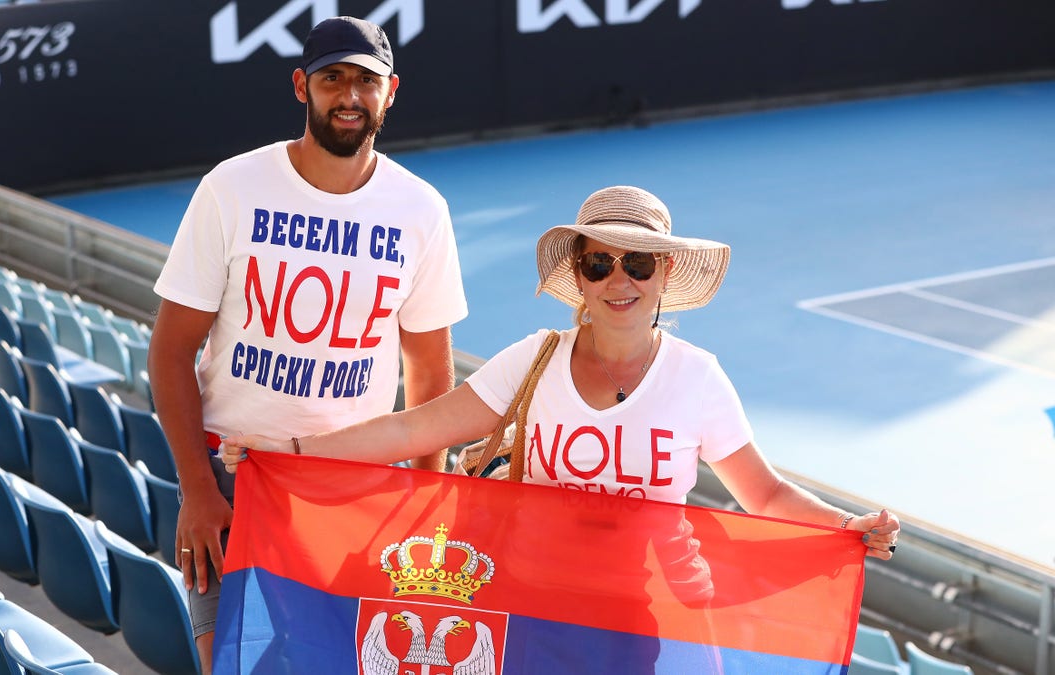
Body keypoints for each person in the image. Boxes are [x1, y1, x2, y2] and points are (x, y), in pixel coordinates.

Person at [220, 185, 901, 563]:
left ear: (665, 272)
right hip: (529, 596)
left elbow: (767, 495)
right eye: (600, 264)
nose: (619, 281)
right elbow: (414, 427)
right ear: (578, 275)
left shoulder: (698, 378)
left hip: (645, 614)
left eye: (638, 264)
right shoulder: (536, 357)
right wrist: (289, 454)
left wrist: (846, 526)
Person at [147, 15, 467, 673]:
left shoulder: (421, 210)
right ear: (302, 86)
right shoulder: (232, 188)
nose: (349, 95)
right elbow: (171, 349)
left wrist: (433, 504)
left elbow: (429, 370)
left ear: (391, 91)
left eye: (365, 81)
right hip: (235, 481)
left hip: (356, 488)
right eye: (332, 78)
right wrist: (197, 491)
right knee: (233, 664)